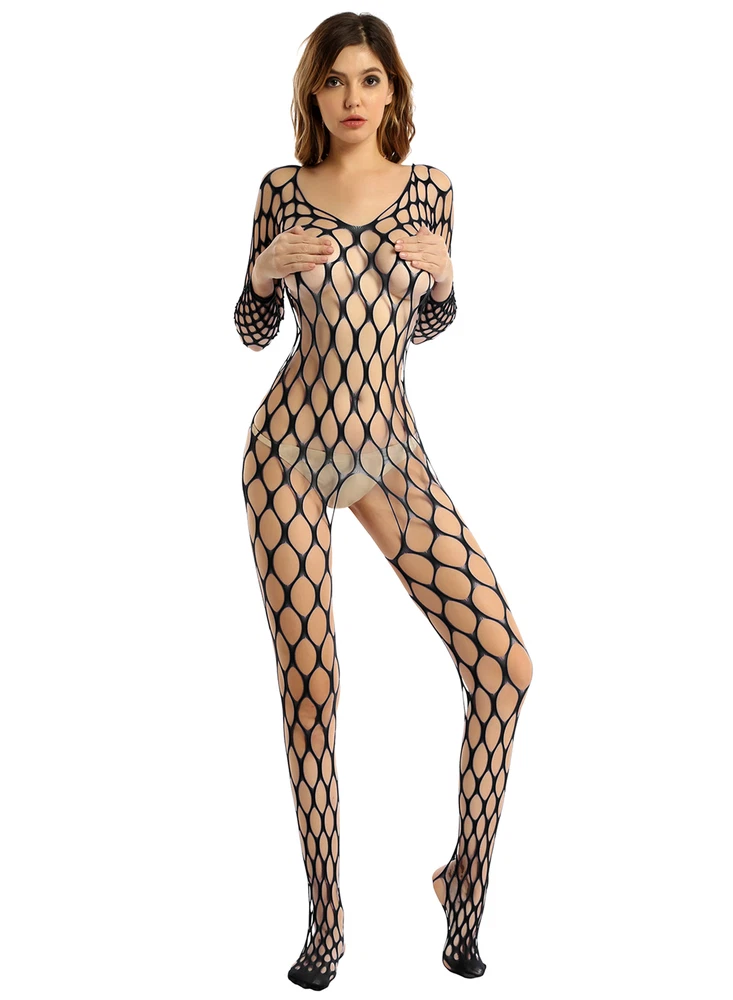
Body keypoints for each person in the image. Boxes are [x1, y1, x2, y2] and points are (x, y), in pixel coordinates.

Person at [235, 12, 533, 991]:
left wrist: (448, 285)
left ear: (394, 90)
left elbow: (427, 323)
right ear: (313, 95)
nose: (353, 97)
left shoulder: (433, 189)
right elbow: (252, 329)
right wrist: (259, 274)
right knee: (312, 688)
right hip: (288, 449)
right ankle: (326, 919)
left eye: (370, 79)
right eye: (335, 81)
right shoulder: (282, 190)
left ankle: (465, 881)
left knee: (505, 665)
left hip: (387, 448)